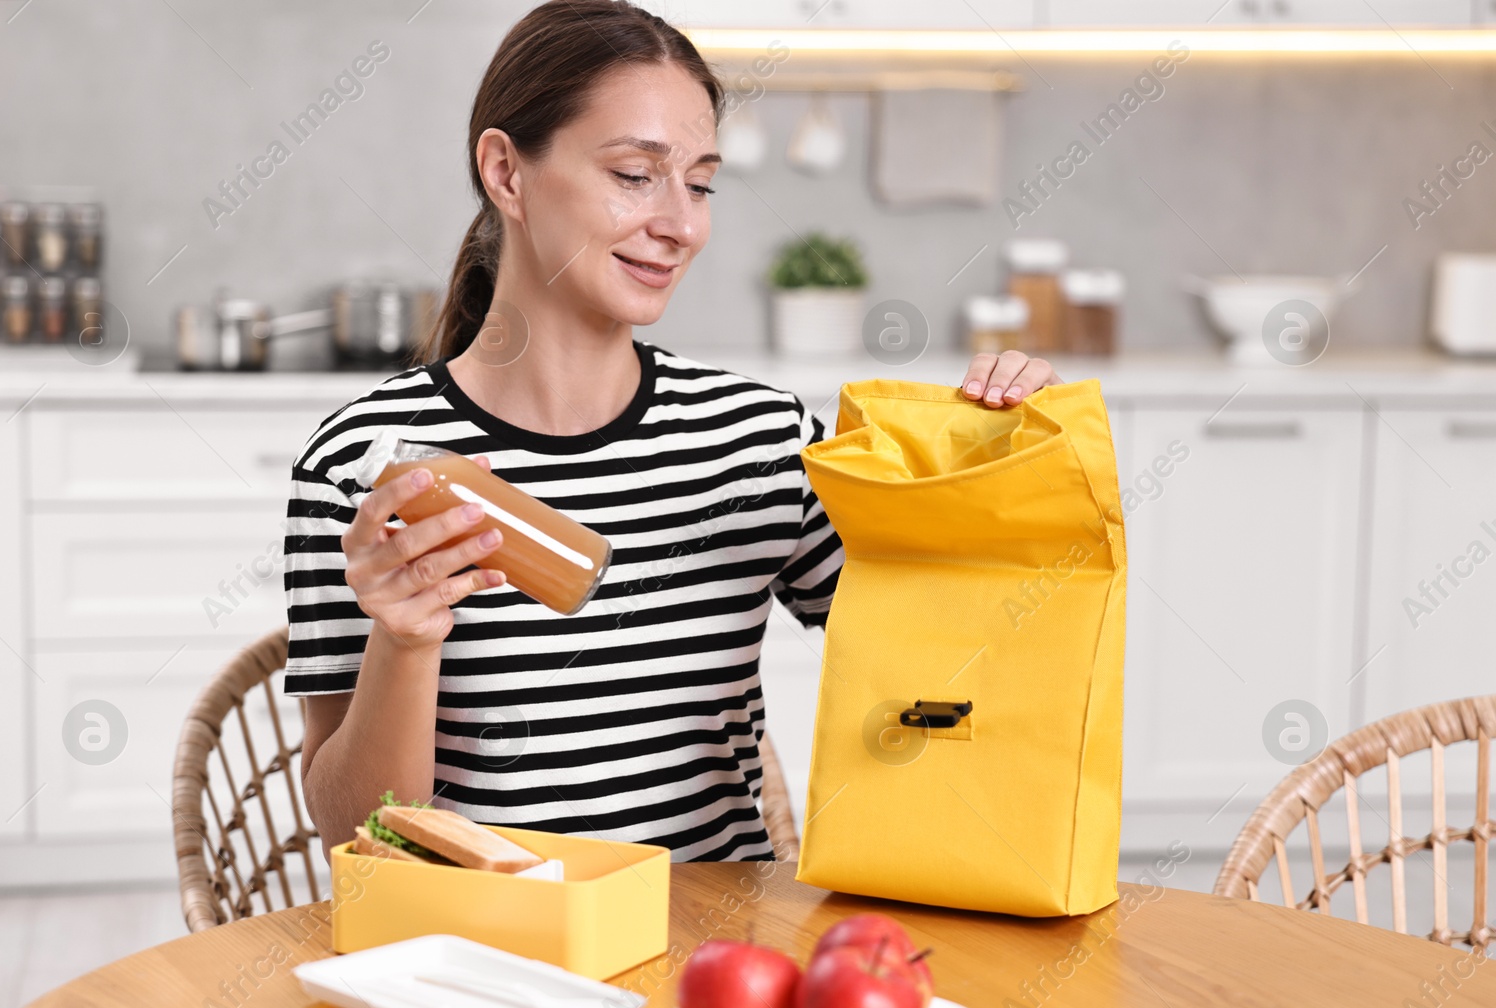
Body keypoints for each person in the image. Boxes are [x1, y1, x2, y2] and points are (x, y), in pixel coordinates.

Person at [283, 0, 1060, 863]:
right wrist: (406, 637)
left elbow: (954, 671)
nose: (682, 226)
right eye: (634, 175)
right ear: (506, 172)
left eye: (699, 182)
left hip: (717, 973)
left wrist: (1008, 470)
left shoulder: (759, 444)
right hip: (484, 968)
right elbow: (359, 831)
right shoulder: (366, 464)